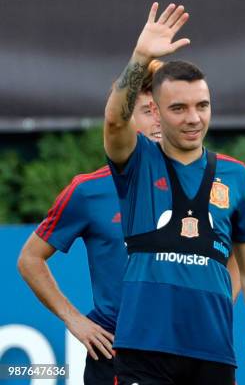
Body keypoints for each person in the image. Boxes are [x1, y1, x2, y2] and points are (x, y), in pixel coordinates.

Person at [103, 2, 245, 385]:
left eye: (202, 106)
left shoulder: (236, 175)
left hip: (212, 352)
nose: (193, 118)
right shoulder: (137, 161)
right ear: (156, 113)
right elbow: (115, 119)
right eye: (178, 108)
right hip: (143, 350)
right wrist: (140, 57)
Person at [17, 60, 165, 385]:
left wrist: (216, 319)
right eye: (147, 110)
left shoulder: (199, 182)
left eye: (163, 109)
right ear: (125, 120)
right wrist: (74, 320)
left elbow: (232, 258)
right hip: (118, 354)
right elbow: (30, 259)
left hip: (186, 349)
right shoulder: (88, 191)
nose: (159, 119)